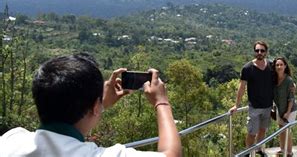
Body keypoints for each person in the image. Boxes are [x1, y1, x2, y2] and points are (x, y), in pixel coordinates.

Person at [0, 53, 182, 157]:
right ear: (95, 106)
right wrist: (161, 102)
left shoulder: (10, 141)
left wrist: (97, 104)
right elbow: (171, 154)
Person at [229, 41, 274, 156]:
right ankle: (248, 153)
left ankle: (258, 150)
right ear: (254, 52)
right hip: (254, 107)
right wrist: (236, 105)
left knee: (263, 130)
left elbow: (282, 76)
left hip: (268, 106)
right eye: (257, 50)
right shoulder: (247, 68)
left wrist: (292, 85)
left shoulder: (271, 65)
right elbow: (242, 87)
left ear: (266, 52)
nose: (259, 53)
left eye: (262, 50)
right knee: (252, 132)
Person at [272, 57, 297, 157]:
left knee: (286, 130)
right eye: (277, 65)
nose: (279, 67)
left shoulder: (288, 80)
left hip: (290, 110)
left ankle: (289, 153)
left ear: (285, 66)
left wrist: (287, 112)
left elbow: (291, 98)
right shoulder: (273, 79)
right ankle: (282, 150)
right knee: (280, 129)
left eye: (281, 64)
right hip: (279, 108)